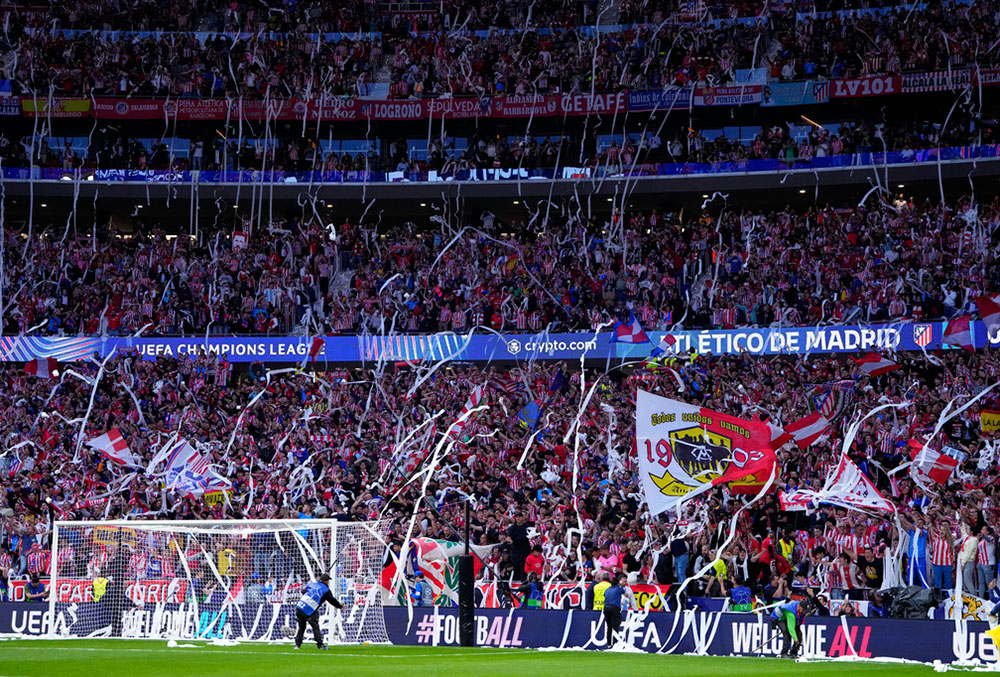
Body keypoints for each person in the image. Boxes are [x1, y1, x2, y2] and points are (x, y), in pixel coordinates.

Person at [294, 573, 343, 650]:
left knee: (302, 626)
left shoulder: (311, 584)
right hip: (310, 609)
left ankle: (297, 645)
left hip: (300, 606)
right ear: (326, 581)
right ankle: (320, 645)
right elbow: (332, 600)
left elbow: (303, 591)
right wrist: (340, 606)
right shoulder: (326, 590)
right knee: (315, 626)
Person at [603, 572, 633, 649]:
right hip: (614, 608)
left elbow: (605, 596)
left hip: (606, 608)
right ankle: (615, 643)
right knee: (615, 626)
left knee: (609, 627)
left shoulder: (607, 589)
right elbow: (626, 595)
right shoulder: (619, 589)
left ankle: (609, 644)